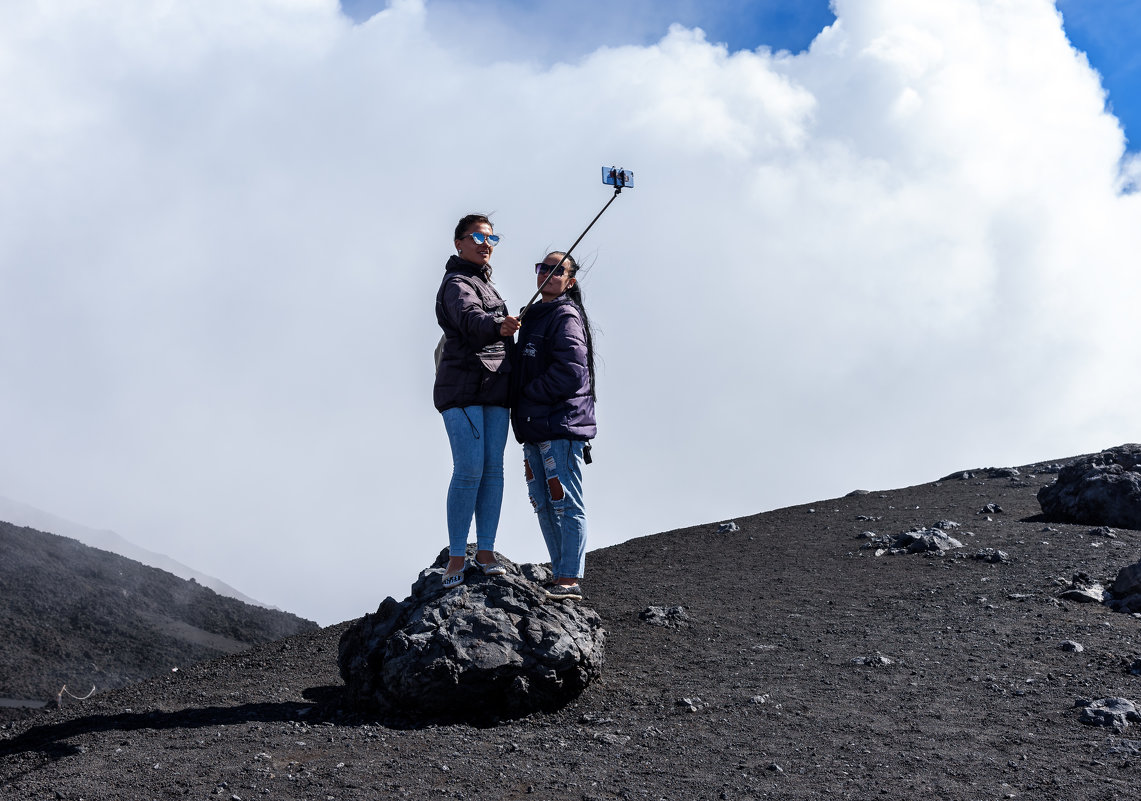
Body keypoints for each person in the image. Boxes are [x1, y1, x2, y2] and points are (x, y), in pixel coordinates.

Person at [434, 214, 521, 588]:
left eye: (492, 238)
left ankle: (485, 552)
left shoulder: (488, 285)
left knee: (493, 471)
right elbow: (471, 321)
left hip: (495, 391)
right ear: (459, 243)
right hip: (463, 390)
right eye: (478, 237)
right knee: (469, 471)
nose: (487, 244)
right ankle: (456, 559)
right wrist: (497, 326)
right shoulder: (456, 283)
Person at [512, 252, 596, 601]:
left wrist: (527, 394)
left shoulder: (565, 315)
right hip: (534, 424)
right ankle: (560, 572)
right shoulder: (533, 315)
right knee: (543, 501)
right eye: (543, 268)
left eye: (556, 270)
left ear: (570, 281)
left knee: (566, 501)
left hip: (561, 424)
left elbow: (571, 372)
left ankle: (568, 579)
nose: (547, 274)